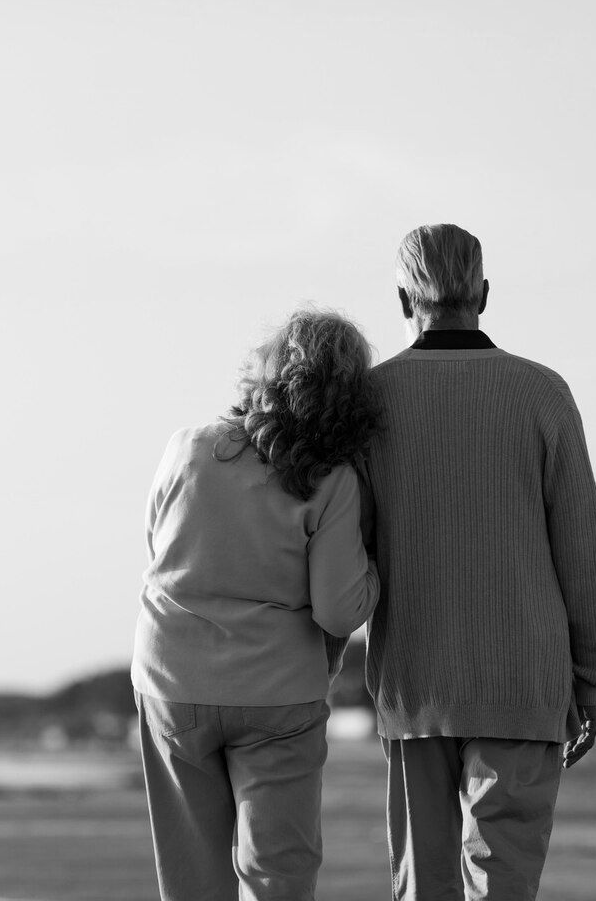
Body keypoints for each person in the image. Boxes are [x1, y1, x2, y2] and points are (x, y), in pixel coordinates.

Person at [365, 224, 596, 900]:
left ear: (401, 299)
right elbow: (579, 555)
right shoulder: (543, 394)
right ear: (482, 292)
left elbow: (345, 552)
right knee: (504, 888)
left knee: (425, 889)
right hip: (523, 682)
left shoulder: (369, 402)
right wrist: (588, 679)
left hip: (416, 685)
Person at [131, 307, 382, 901]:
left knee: (191, 879)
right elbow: (338, 611)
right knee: (278, 877)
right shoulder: (332, 479)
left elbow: (157, 546)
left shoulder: (188, 448)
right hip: (277, 691)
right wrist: (376, 571)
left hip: (174, 681)